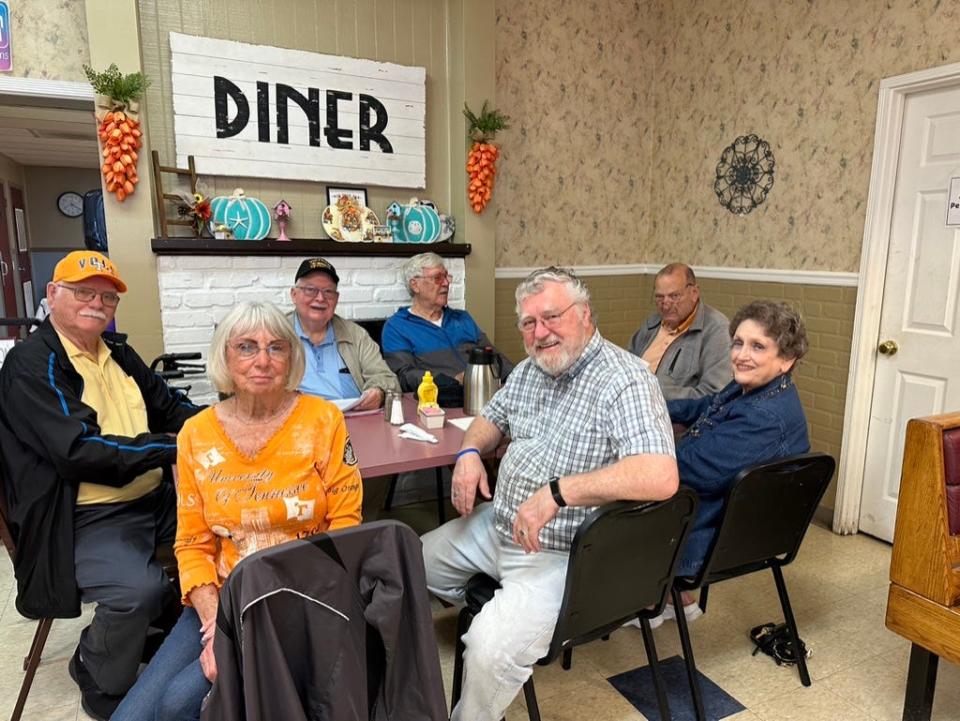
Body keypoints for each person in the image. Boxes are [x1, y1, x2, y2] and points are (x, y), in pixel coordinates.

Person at [421, 267, 678, 721]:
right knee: (407, 560)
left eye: (551, 317)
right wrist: (467, 455)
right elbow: (489, 420)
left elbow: (660, 475)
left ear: (584, 315)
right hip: (498, 525)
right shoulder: (529, 371)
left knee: (487, 651)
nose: (540, 333)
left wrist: (558, 493)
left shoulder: (626, 379)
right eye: (528, 323)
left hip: (563, 551)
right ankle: (502, 607)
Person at [112, 301, 363, 721]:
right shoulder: (196, 433)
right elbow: (192, 543)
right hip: (222, 598)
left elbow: (346, 526)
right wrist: (216, 627)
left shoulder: (323, 421)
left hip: (299, 598)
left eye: (276, 347)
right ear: (225, 358)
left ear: (292, 358)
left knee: (180, 702)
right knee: (132, 717)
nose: (262, 360)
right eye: (246, 347)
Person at [0, 250, 202, 720]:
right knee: (138, 592)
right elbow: (79, 451)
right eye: (83, 292)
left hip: (153, 496)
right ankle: (95, 667)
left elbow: (171, 406)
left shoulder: (120, 353)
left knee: (231, 537)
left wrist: (222, 427)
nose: (97, 303)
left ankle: (177, 638)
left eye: (107, 297)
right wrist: (170, 448)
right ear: (52, 296)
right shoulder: (33, 364)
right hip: (83, 513)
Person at [666, 300, 810, 621]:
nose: (742, 355)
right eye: (738, 343)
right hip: (714, 509)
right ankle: (668, 598)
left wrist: (634, 453)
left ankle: (652, 596)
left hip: (713, 531)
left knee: (611, 505)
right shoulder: (752, 388)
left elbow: (690, 467)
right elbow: (703, 407)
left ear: (786, 359)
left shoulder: (766, 417)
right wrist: (653, 408)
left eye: (758, 346)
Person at [382, 252, 513, 397]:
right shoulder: (397, 327)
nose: (446, 283)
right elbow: (405, 376)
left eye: (446, 276)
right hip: (441, 401)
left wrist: (515, 380)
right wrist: (452, 381)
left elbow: (494, 356)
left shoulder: (462, 318)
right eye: (437, 278)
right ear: (415, 285)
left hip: (487, 395)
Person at [290, 257, 399, 410]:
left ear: (336, 299)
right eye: (310, 290)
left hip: (351, 420)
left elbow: (387, 379)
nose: (320, 298)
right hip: (296, 421)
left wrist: (379, 392)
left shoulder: (356, 335)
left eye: (328, 292)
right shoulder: (275, 332)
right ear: (294, 295)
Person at [629, 263, 732, 400]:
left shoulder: (716, 330)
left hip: (676, 416)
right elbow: (626, 366)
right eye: (660, 297)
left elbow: (714, 394)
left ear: (694, 293)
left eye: (674, 296)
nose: (665, 304)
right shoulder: (652, 323)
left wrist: (651, 391)